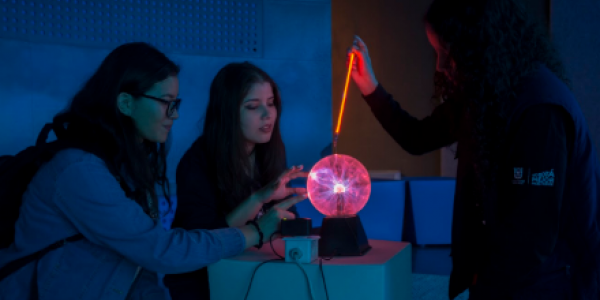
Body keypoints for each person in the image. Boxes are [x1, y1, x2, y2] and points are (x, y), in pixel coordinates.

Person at [0, 43, 305, 300]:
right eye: (166, 103)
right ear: (126, 103)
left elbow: (137, 268)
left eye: (176, 103)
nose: (174, 115)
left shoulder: (127, 167)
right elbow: (161, 250)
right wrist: (255, 231)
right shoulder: (78, 171)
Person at [348, 0, 600, 299]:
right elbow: (417, 137)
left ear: (478, 46)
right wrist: (370, 87)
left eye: (447, 53)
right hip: (502, 278)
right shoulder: (486, 93)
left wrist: (485, 280)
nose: (441, 65)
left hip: (546, 285)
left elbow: (532, 236)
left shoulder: (540, 108)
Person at [163, 61, 307, 299]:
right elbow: (204, 243)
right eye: (253, 106)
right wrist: (259, 199)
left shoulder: (269, 154)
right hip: (206, 285)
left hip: (256, 279)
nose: (267, 114)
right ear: (227, 112)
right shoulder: (197, 163)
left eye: (271, 104)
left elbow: (282, 224)